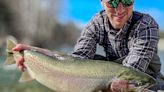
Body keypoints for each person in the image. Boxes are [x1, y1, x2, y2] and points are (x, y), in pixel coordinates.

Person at [12, 0, 164, 91]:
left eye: (126, 1)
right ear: (102, 2)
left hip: (147, 82)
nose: (120, 9)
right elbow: (77, 61)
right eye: (112, 1)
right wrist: (37, 55)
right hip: (110, 79)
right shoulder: (96, 23)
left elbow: (133, 71)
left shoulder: (146, 24)